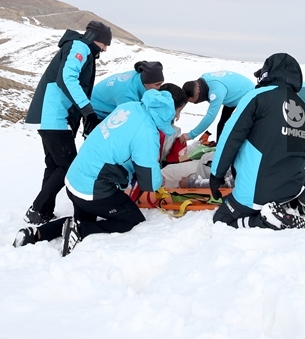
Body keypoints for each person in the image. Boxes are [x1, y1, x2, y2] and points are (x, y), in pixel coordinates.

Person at [14, 84, 189, 255]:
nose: (178, 117)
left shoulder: (131, 106)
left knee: (83, 219)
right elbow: (149, 182)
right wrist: (158, 178)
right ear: (170, 110)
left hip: (75, 179)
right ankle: (81, 231)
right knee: (132, 219)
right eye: (179, 111)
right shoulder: (147, 132)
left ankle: (35, 234)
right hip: (92, 190)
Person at [209, 53, 305, 230]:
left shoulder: (256, 97)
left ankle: (264, 220)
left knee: (221, 220)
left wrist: (216, 175)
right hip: (291, 186)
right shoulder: (302, 106)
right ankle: (298, 199)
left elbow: (230, 137)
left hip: (257, 192)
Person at [22, 21, 112, 226]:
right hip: (55, 118)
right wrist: (87, 110)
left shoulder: (79, 47)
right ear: (94, 38)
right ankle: (37, 209)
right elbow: (67, 78)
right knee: (68, 166)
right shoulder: (79, 47)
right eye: (105, 43)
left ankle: (42, 212)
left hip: (53, 118)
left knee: (54, 166)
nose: (105, 49)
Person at [86, 61, 165, 136]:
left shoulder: (140, 75)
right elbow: (132, 121)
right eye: (157, 84)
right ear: (146, 82)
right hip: (96, 111)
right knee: (102, 141)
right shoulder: (126, 95)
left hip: (108, 102)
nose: (159, 88)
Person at [180, 71, 255, 142]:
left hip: (248, 96)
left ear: (198, 92)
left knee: (238, 126)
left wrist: (191, 135)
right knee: (222, 124)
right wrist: (178, 112)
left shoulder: (216, 91)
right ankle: (218, 147)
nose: (195, 103)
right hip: (232, 94)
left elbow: (210, 116)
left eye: (194, 101)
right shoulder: (201, 82)